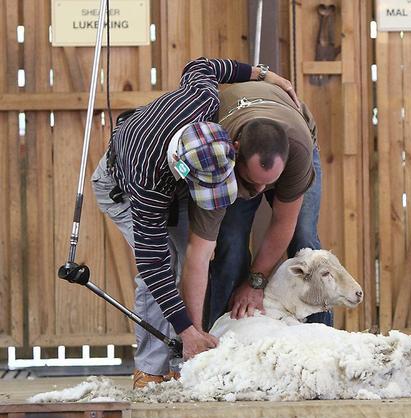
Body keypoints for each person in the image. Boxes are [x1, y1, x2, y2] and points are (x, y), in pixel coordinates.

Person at [90, 58, 298, 389]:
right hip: (122, 188)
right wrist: (188, 329)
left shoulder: (203, 99)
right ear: (181, 171)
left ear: (232, 146)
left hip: (178, 181)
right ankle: (151, 369)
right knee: (163, 269)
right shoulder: (148, 183)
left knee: (195, 257)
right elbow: (152, 262)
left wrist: (265, 74)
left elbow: (202, 66)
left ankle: (185, 359)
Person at [203, 80, 331, 330]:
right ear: (236, 153)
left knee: (304, 239)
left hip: (295, 137)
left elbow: (284, 222)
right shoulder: (221, 147)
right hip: (237, 142)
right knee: (231, 242)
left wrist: (255, 282)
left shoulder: (298, 152)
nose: (260, 192)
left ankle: (319, 338)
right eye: (255, 182)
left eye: (269, 183)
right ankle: (220, 339)